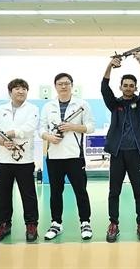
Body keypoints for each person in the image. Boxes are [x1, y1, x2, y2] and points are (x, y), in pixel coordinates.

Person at [101, 52, 140, 242]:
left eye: (132, 86)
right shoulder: (115, 105)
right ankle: (113, 224)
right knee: (114, 191)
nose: (129, 88)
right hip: (117, 154)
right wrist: (110, 66)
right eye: (126, 85)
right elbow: (104, 87)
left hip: (136, 154)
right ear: (121, 87)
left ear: (135, 87)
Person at [40, 73, 96, 241]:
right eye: (60, 84)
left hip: (75, 156)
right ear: (55, 86)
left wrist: (73, 126)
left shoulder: (82, 104)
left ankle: (85, 222)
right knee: (55, 192)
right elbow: (41, 129)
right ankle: (56, 223)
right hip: (54, 156)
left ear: (72, 85)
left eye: (67, 83)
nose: (63, 86)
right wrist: (48, 137)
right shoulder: (48, 106)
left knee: (80, 191)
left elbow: (91, 127)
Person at [0, 78, 40, 243]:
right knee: (3, 195)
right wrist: (1, 140)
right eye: (17, 88)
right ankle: (4, 225)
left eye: (24, 88)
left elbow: (30, 128)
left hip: (24, 160)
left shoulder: (33, 109)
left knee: (29, 195)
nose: (21, 91)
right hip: (3, 160)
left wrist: (12, 132)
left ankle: (31, 225)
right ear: (10, 92)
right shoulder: (0, 110)